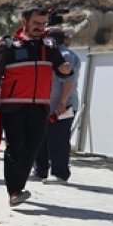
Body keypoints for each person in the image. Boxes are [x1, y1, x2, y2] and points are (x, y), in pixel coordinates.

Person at [0, 8, 74, 206]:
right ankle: (14, 191)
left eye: (44, 24)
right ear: (24, 20)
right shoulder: (7, 45)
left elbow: (62, 70)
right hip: (12, 105)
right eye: (36, 23)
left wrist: (65, 70)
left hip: (40, 106)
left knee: (32, 149)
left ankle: (18, 188)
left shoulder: (49, 45)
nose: (40, 28)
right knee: (16, 148)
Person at [33, 30, 81, 184]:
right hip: (46, 105)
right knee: (41, 139)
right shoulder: (48, 54)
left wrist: (62, 103)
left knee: (58, 139)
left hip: (63, 105)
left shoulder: (65, 55)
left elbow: (68, 81)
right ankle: (40, 171)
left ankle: (60, 174)